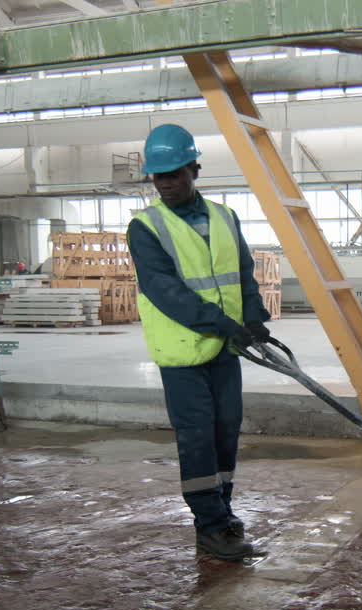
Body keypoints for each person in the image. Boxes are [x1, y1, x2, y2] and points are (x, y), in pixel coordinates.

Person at [126, 124, 272, 561]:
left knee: (226, 432)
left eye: (175, 173)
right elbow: (165, 291)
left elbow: (242, 272)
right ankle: (208, 526)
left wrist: (254, 318)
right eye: (159, 176)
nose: (167, 183)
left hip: (225, 352)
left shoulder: (226, 217)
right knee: (197, 440)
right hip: (184, 354)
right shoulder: (145, 228)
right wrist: (223, 323)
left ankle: (223, 513)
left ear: (194, 168)